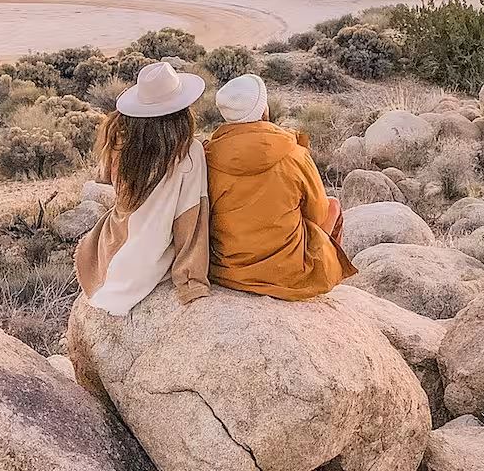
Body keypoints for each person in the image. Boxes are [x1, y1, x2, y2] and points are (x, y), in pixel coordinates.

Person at [74, 61, 211, 315]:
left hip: (115, 244)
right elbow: (190, 219)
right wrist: (192, 281)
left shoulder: (120, 141)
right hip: (148, 259)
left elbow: (106, 180)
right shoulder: (190, 153)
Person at [203, 73, 354, 299]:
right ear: (263, 109)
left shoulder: (207, 155)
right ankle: (323, 280)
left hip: (228, 271)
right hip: (286, 274)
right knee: (332, 206)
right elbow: (317, 214)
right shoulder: (294, 153)